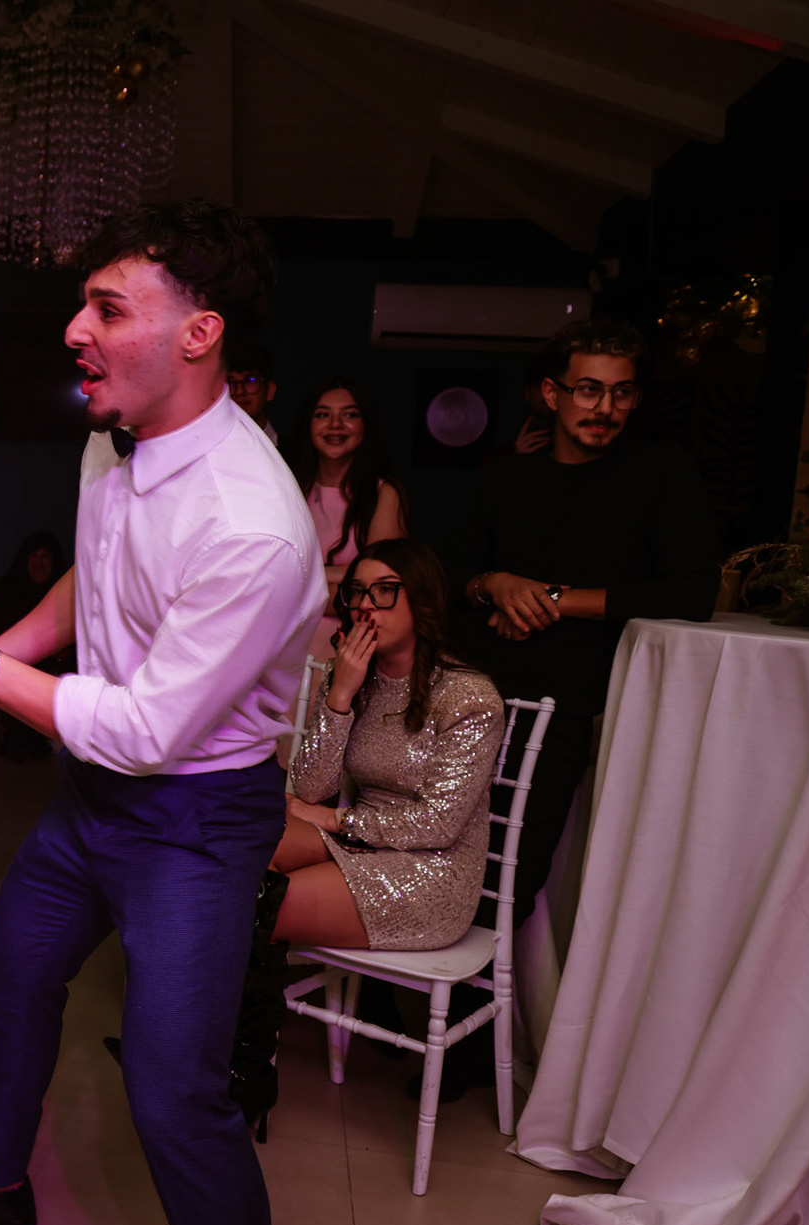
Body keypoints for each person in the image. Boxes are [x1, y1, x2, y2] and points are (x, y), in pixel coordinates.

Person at [0, 200, 322, 1225]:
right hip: (90, 799)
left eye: (108, 308)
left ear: (199, 333)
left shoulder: (253, 526)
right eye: (81, 305)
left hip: (195, 820)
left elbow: (149, 729)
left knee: (173, 1090)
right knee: (12, 975)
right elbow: (94, 581)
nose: (74, 329)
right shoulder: (115, 436)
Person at [442, 317, 718, 1097]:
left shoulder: (659, 473)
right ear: (551, 393)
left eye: (622, 393)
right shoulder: (504, 478)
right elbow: (452, 576)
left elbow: (691, 591)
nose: (606, 408)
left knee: (510, 870)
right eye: (589, 390)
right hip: (474, 696)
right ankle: (419, 1001)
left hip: (569, 706)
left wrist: (555, 600)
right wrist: (495, 585)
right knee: (436, 842)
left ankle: (467, 1034)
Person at [223, 540, 506, 1126]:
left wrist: (337, 820)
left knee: (254, 902)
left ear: (421, 600)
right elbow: (309, 788)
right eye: (356, 592)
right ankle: (195, 1050)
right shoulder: (353, 675)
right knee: (234, 850)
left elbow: (438, 823)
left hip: (430, 874)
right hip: (360, 844)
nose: (365, 606)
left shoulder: (471, 697)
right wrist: (341, 695)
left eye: (385, 591)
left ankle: (232, 1077)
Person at [284, 377, 407, 662]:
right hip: (283, 636)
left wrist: (304, 580)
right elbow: (271, 574)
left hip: (351, 643)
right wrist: (341, 579)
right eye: (322, 415)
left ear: (366, 425)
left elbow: (376, 586)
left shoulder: (383, 493)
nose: (335, 425)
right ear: (308, 424)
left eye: (349, 415)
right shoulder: (288, 488)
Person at [0, 531, 73, 761]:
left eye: (45, 556)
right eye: (34, 556)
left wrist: (62, 653)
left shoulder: (66, 594)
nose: (39, 563)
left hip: (55, 672)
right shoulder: (7, 591)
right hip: (10, 668)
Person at [226, 343, 278, 443]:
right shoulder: (207, 448)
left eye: (250, 380)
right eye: (231, 382)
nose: (239, 391)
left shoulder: (295, 450)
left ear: (270, 390)